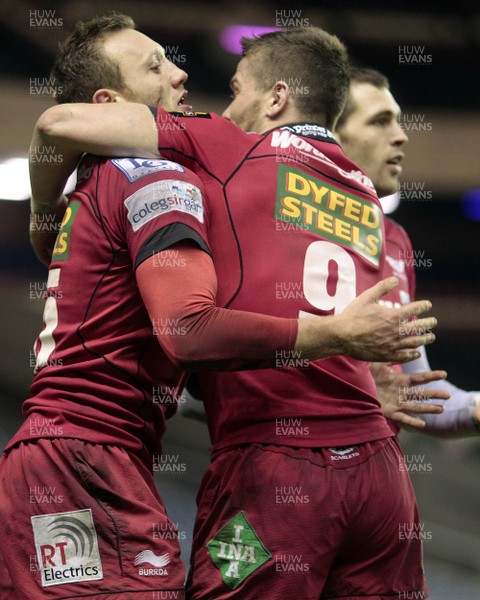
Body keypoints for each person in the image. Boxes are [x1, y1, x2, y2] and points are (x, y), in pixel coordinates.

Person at [1, 18, 438, 600]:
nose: (185, 76)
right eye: (156, 66)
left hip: (215, 465)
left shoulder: (219, 156)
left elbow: (55, 125)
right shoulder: (363, 199)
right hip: (86, 458)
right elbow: (192, 332)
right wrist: (337, 351)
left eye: (235, 90)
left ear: (276, 98)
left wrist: (45, 226)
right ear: (110, 103)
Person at [335, 67, 480, 436]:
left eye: (398, 121)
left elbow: (416, 394)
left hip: (379, 482)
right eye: (380, 121)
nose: (400, 137)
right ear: (332, 133)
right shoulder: (273, 221)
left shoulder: (395, 239)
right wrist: (348, 397)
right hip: (284, 476)